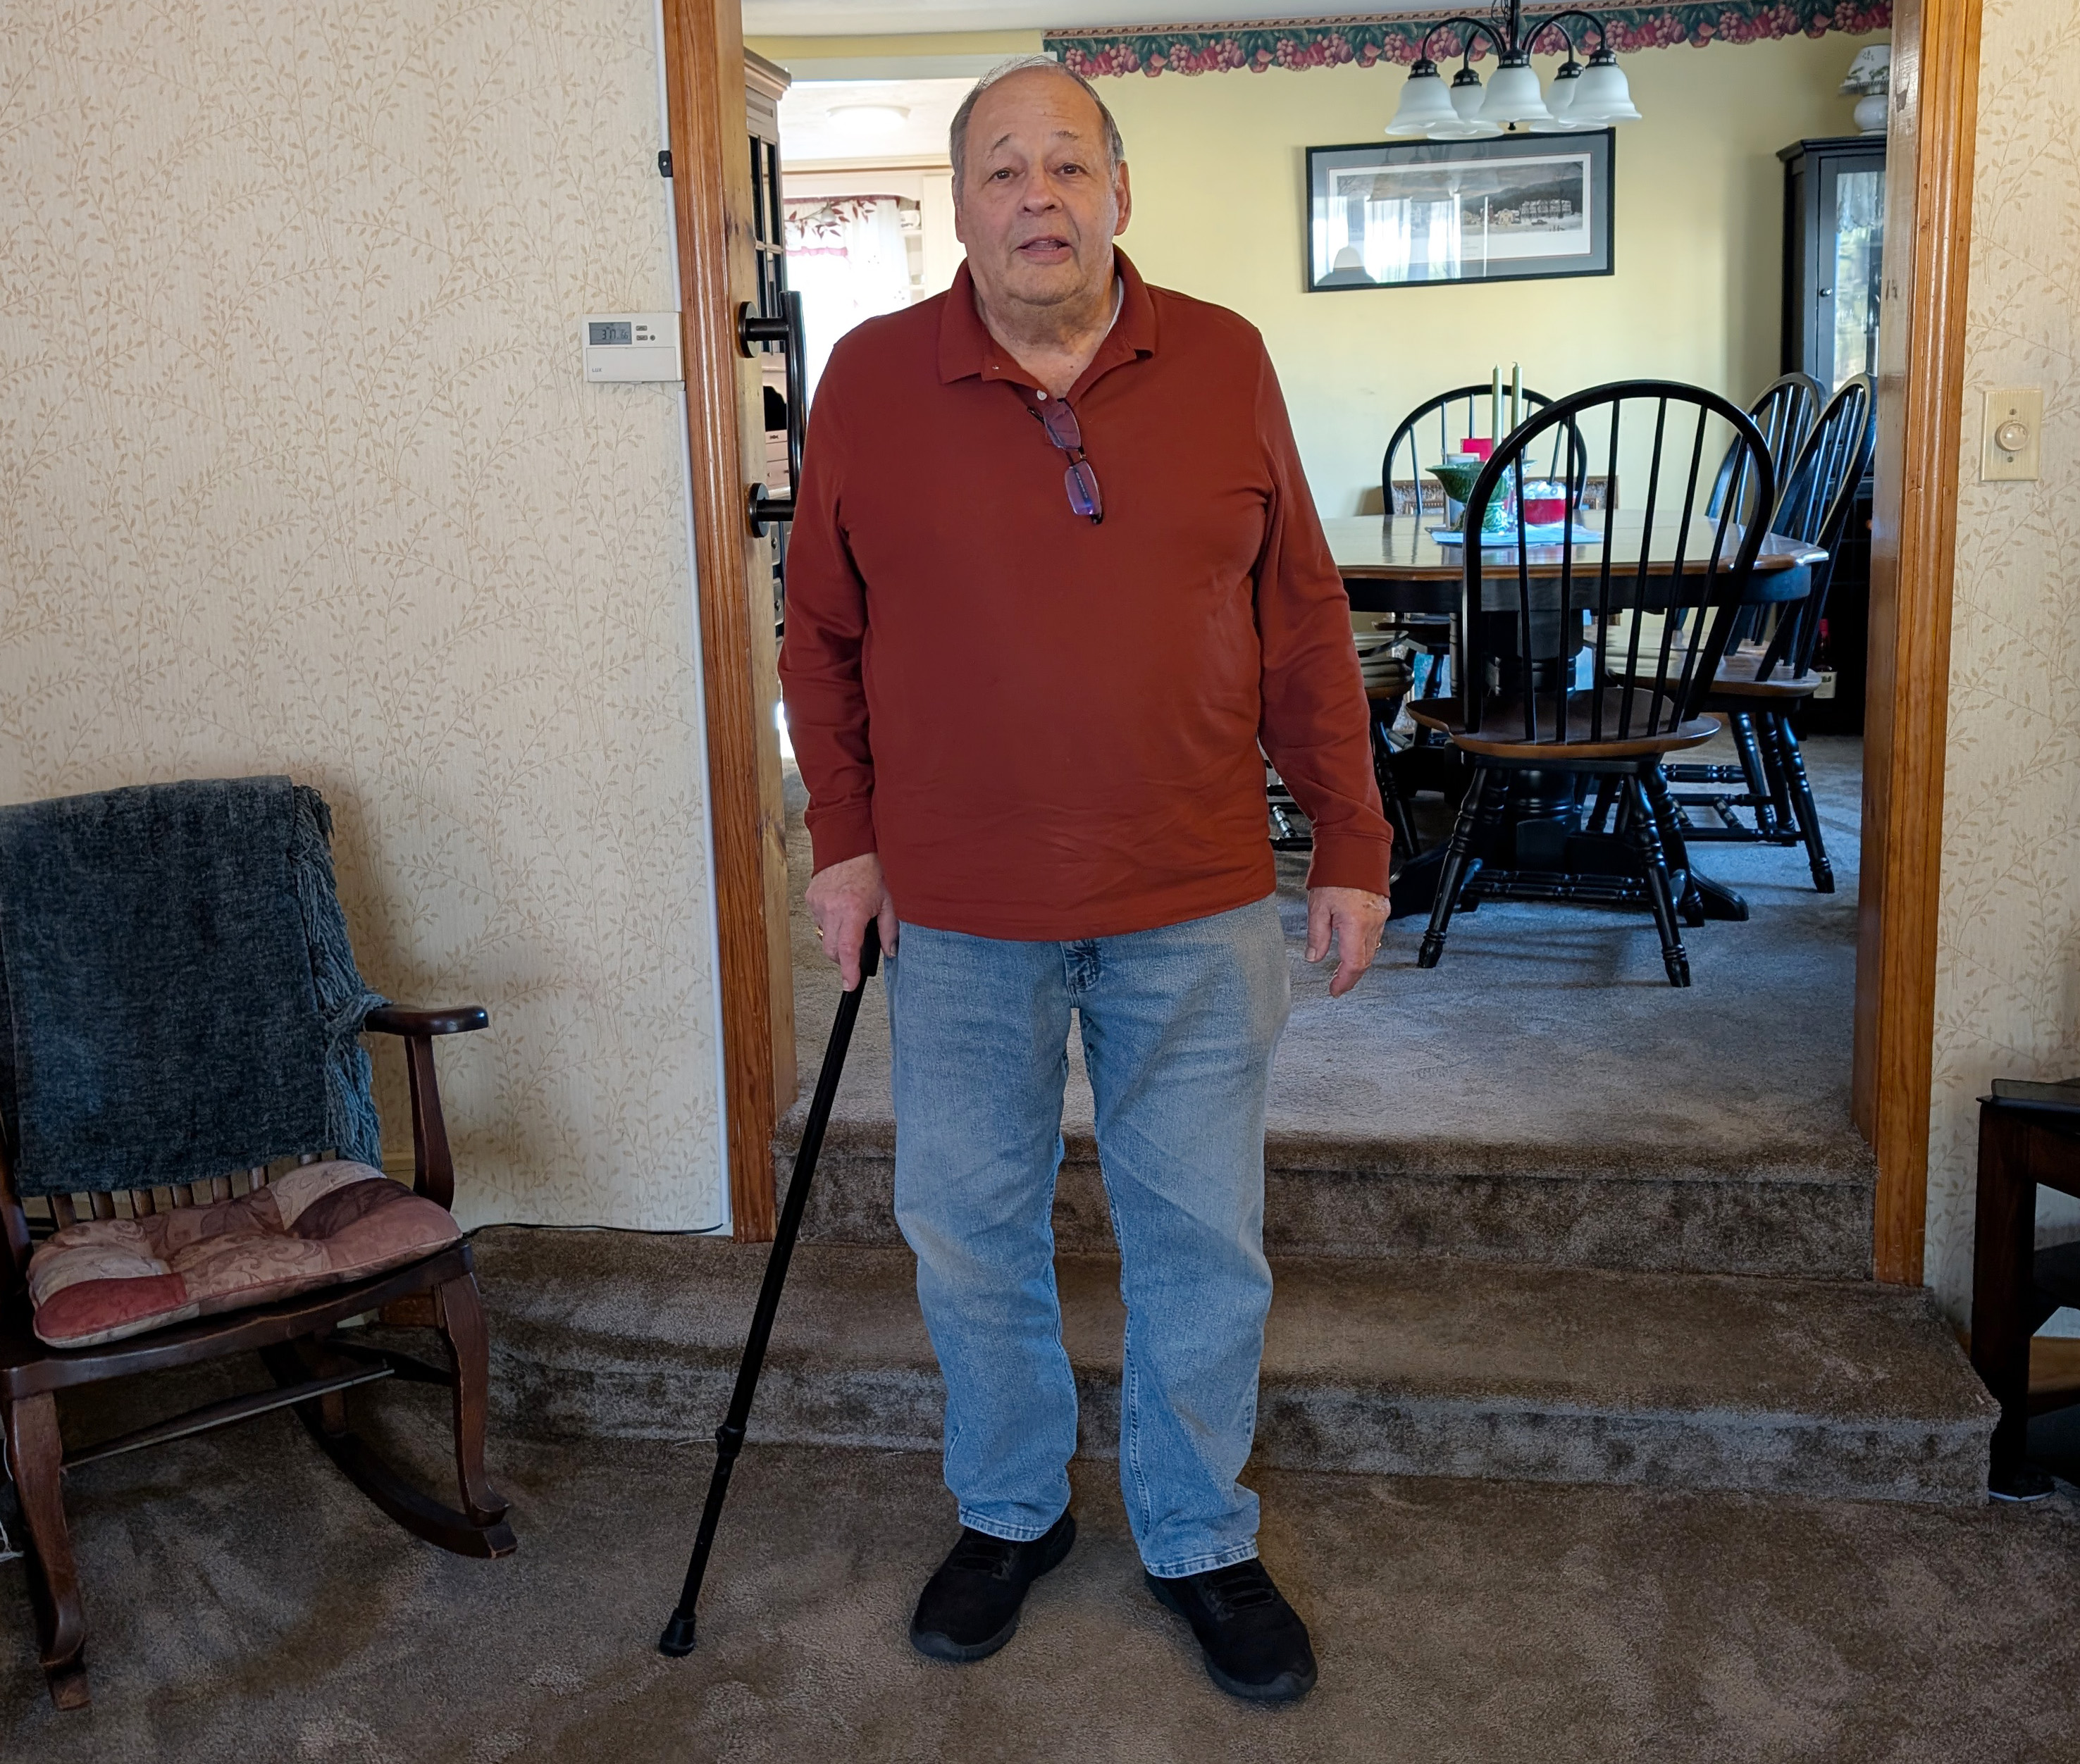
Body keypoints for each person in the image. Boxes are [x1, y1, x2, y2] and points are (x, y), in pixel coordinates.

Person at [778, 55, 1392, 1706]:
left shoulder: (1226, 359)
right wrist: (845, 839)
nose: (1035, 198)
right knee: (969, 1227)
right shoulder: (870, 379)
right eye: (999, 170)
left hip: (1190, 893)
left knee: (1200, 1237)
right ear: (961, 202)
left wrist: (1351, 835)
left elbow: (1303, 620)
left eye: (1067, 166)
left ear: (1121, 191)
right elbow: (820, 639)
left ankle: (1197, 1532)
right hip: (963, 909)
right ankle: (1013, 1509)